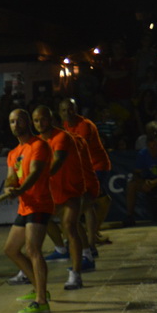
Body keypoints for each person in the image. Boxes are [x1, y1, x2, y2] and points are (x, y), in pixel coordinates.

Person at [3, 108, 54, 313]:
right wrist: (9, 187)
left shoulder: (38, 145)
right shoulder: (13, 153)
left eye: (19, 121)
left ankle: (41, 300)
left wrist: (21, 190)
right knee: (11, 250)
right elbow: (11, 177)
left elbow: (35, 173)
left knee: (33, 249)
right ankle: (39, 288)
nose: (16, 125)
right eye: (12, 122)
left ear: (28, 123)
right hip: (25, 206)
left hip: (39, 203)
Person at [33, 105, 88, 290]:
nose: (40, 123)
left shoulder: (62, 137)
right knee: (38, 221)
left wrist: (39, 176)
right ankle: (58, 251)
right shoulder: (37, 142)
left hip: (71, 190)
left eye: (43, 119)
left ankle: (76, 273)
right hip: (53, 192)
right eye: (36, 121)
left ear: (50, 119)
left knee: (70, 226)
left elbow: (57, 161)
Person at [59, 98, 112, 246]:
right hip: (83, 168)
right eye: (64, 110)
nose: (68, 112)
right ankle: (91, 238)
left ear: (76, 109)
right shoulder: (65, 125)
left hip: (97, 166)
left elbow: (77, 150)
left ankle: (86, 238)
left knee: (87, 203)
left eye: (70, 109)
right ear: (60, 113)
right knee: (91, 204)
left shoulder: (85, 125)